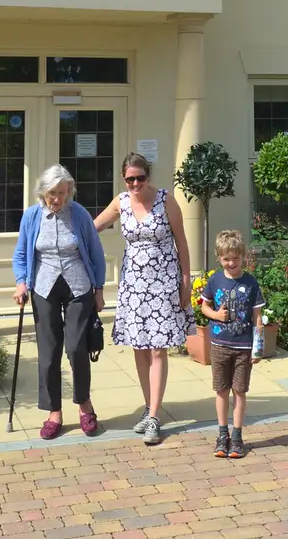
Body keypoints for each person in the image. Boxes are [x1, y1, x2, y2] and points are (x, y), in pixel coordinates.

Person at [92, 152, 192, 446]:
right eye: (130, 179)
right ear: (124, 179)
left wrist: (186, 280)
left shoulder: (166, 200)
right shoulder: (120, 202)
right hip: (134, 285)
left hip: (163, 282)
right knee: (140, 347)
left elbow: (182, 242)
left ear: (148, 175)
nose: (136, 183)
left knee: (159, 348)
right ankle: (150, 409)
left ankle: (154, 416)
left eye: (141, 177)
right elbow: (90, 228)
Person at [12, 165, 108, 440]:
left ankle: (84, 404)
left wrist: (99, 290)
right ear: (43, 192)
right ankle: (54, 411)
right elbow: (21, 254)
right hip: (43, 285)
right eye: (53, 193)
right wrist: (21, 282)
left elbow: (95, 253)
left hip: (79, 284)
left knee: (77, 346)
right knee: (48, 352)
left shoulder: (78, 214)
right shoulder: (32, 216)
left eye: (63, 193)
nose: (58, 199)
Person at [199, 229, 266, 459]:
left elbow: (258, 317)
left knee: (239, 391)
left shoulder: (250, 283)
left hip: (243, 348)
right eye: (226, 259)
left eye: (235, 258)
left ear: (243, 257)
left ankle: (237, 437)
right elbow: (204, 307)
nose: (231, 263)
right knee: (221, 390)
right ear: (219, 258)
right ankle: (222, 434)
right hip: (219, 345)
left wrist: (258, 347)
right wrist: (216, 316)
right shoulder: (215, 280)